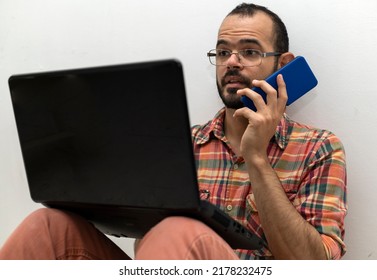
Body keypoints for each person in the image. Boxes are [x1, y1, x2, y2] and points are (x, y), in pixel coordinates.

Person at [0, 3, 347, 260]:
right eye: (223, 52)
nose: (231, 62)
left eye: (249, 51)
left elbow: (315, 265)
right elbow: (145, 242)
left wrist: (256, 158)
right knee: (46, 225)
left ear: (283, 66)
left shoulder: (319, 148)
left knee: (179, 228)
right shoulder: (181, 144)